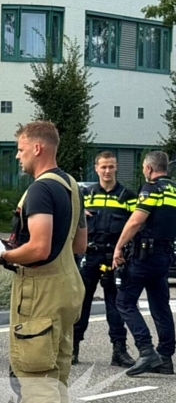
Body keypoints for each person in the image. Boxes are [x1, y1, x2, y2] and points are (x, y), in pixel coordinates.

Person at [0, 121, 86, 403]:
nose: (18, 156)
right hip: (66, 287)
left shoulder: (40, 189)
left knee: (35, 379)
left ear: (38, 148)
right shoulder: (71, 186)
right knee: (55, 379)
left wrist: (3, 255)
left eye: (21, 149)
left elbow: (39, 247)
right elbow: (79, 245)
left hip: (39, 291)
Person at [112, 150, 176, 377]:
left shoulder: (151, 188)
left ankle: (146, 350)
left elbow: (136, 221)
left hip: (144, 256)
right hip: (164, 255)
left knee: (124, 302)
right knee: (160, 305)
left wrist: (118, 247)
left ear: (149, 168)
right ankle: (165, 357)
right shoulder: (173, 190)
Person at [75, 151, 136, 367]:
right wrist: (80, 214)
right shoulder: (85, 195)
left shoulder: (128, 196)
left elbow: (136, 226)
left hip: (114, 258)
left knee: (116, 305)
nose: (107, 171)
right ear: (96, 168)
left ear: (116, 167)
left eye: (111, 166)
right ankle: (72, 348)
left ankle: (119, 350)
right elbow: (70, 221)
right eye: (103, 167)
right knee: (81, 303)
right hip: (89, 256)